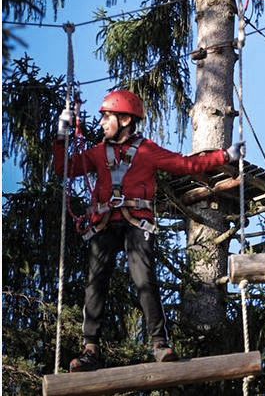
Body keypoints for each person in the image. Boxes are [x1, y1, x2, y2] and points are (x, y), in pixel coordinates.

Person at [54, 89, 243, 372]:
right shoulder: (97, 153)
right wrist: (61, 132)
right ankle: (90, 348)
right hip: (105, 223)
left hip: (136, 222)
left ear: (126, 121)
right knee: (96, 282)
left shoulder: (146, 151)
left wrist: (224, 156)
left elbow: (186, 164)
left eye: (108, 117)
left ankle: (159, 343)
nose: (103, 123)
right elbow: (63, 168)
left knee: (143, 279)